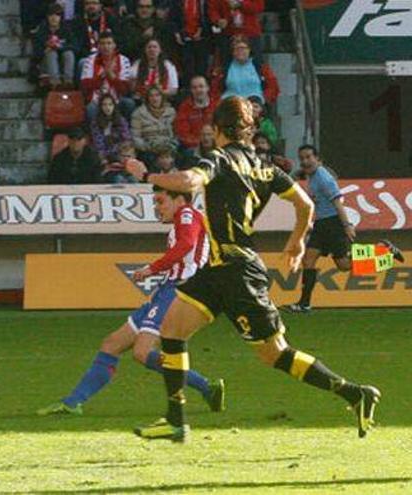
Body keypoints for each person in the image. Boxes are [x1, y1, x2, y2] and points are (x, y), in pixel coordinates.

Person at [124, 96, 381, 442]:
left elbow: (188, 181)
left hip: (237, 273)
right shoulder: (263, 166)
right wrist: (297, 242)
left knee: (275, 354)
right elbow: (304, 203)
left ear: (217, 130)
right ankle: (176, 419)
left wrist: (148, 174)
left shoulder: (219, 159)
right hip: (217, 270)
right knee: (172, 330)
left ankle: (355, 393)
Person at [38, 186, 225, 416]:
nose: (157, 208)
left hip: (176, 292)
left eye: (161, 201)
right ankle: (72, 402)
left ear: (179, 200)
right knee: (112, 344)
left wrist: (151, 269)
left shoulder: (187, 214)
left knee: (142, 352)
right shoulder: (183, 218)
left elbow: (186, 244)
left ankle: (206, 386)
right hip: (165, 292)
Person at [284, 145, 404, 313]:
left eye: (308, 157)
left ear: (318, 159)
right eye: (302, 158)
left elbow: (338, 203)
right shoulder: (311, 177)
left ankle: (384, 251)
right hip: (322, 225)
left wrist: (346, 225)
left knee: (344, 265)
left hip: (333, 224)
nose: (305, 161)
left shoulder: (324, 179)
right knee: (308, 261)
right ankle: (304, 304)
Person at [79, 33, 133, 119]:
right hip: (96, 100)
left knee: (129, 103)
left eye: (109, 43)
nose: (106, 46)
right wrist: (103, 74)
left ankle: (124, 130)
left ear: (114, 45)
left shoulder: (124, 60)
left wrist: (112, 76)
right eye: (102, 43)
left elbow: (125, 90)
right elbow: (85, 86)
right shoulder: (90, 60)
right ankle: (94, 131)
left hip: (117, 99)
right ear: (98, 46)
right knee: (90, 109)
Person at [212, 36, 278, 105]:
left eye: (243, 48)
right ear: (233, 52)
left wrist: (264, 99)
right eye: (237, 49)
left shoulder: (261, 67)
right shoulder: (224, 69)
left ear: (249, 50)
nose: (240, 51)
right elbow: (215, 88)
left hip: (255, 104)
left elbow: (273, 86)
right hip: (231, 104)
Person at [33, 3, 78, 90]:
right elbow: (36, 52)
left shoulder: (67, 30)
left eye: (57, 15)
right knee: (51, 53)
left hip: (63, 63)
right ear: (47, 17)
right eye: (51, 15)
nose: (54, 18)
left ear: (61, 17)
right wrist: (46, 50)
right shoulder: (41, 31)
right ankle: (55, 83)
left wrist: (60, 47)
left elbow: (75, 46)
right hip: (45, 64)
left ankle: (68, 82)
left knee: (68, 53)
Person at [130, 84, 176, 165]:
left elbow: (176, 134)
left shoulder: (171, 112)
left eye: (157, 95)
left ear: (162, 97)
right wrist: (147, 147)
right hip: (149, 150)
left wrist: (171, 145)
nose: (154, 99)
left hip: (168, 148)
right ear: (147, 98)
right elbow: (135, 137)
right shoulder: (138, 113)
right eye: (151, 96)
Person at [169, 0, 211, 87]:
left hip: (201, 40)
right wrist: (177, 33)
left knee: (201, 69)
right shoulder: (177, 2)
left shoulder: (203, 2)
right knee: (187, 70)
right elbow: (172, 19)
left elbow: (208, 18)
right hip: (184, 42)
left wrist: (201, 30)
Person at [174, 75, 216, 152]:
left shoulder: (217, 105)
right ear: (191, 90)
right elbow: (182, 133)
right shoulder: (184, 107)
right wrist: (201, 143)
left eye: (201, 86)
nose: (198, 90)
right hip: (193, 148)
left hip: (216, 145)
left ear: (207, 88)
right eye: (194, 88)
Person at [88, 94, 131, 167]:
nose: (107, 107)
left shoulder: (121, 120)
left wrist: (121, 153)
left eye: (110, 104)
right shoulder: (95, 123)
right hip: (104, 155)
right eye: (104, 105)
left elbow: (126, 139)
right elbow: (99, 144)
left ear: (114, 106)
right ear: (100, 107)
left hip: (120, 153)